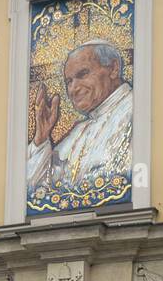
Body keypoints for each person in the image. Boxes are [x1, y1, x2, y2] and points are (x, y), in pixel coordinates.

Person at [27, 39, 133, 206]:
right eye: (69, 81)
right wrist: (41, 139)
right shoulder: (79, 132)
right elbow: (34, 190)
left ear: (113, 68)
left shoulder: (135, 109)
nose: (73, 89)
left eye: (82, 74)